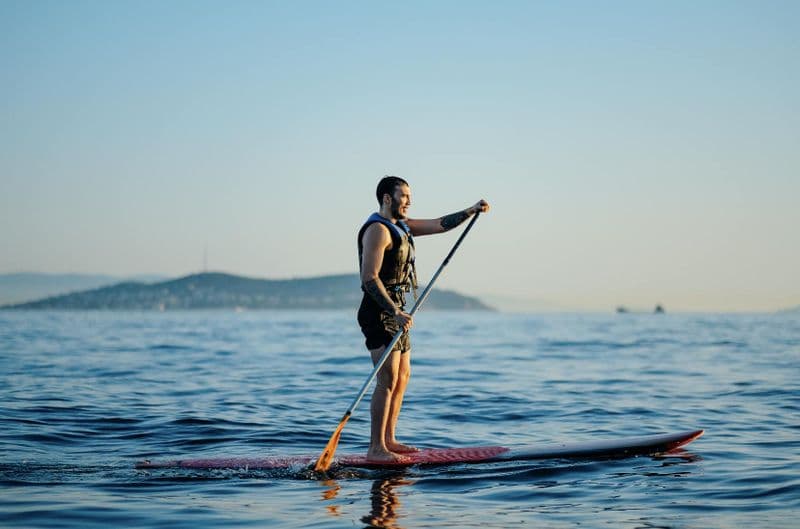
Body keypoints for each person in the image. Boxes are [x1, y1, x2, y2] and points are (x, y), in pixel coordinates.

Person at [357, 175, 490, 462]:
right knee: (387, 380)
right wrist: (394, 310)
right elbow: (369, 279)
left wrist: (470, 211)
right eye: (404, 195)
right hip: (379, 312)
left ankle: (389, 439)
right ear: (387, 198)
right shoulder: (377, 231)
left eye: (409, 196)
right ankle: (375, 448)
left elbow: (439, 225)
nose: (409, 200)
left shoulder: (402, 226)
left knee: (403, 377)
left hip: (398, 312)